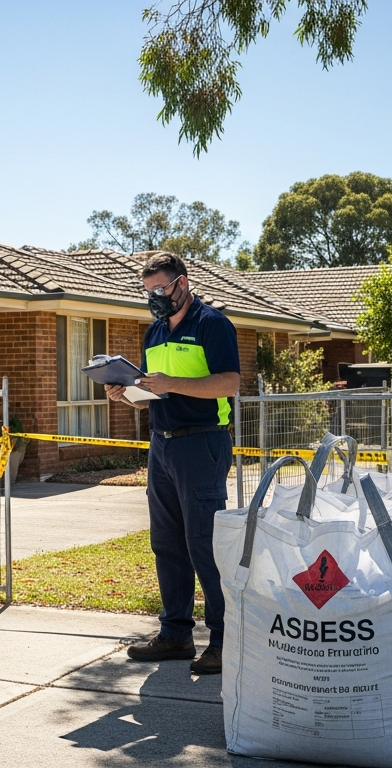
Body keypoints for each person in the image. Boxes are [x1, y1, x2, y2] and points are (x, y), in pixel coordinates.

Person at [105, 251, 240, 675]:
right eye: (148, 292)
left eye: (160, 289)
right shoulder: (155, 332)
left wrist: (171, 384)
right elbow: (153, 391)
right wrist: (125, 394)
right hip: (161, 446)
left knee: (205, 544)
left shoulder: (212, 324)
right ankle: (175, 634)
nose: (155, 299)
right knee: (167, 543)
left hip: (202, 444)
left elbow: (229, 382)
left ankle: (222, 641)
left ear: (183, 282)